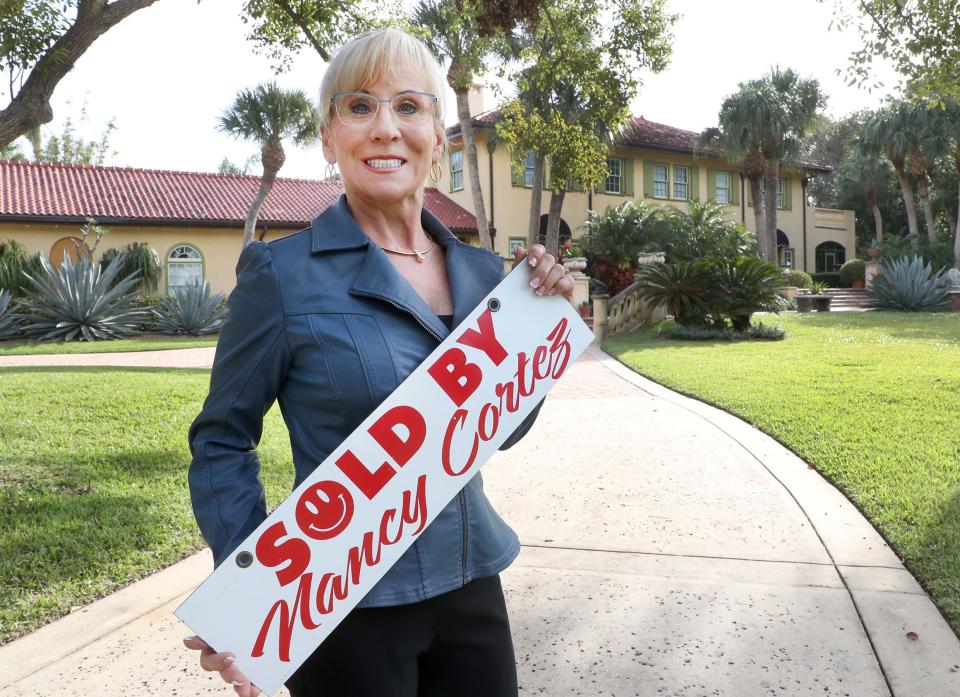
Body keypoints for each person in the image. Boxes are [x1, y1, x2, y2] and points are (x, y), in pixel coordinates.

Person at [183, 27, 574, 697]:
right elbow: (221, 438)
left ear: (440, 140)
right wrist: (249, 593)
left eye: (409, 106)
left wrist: (544, 327)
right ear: (329, 139)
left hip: (474, 585)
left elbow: (505, 429)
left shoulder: (484, 274)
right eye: (359, 107)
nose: (385, 127)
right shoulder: (279, 274)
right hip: (342, 610)